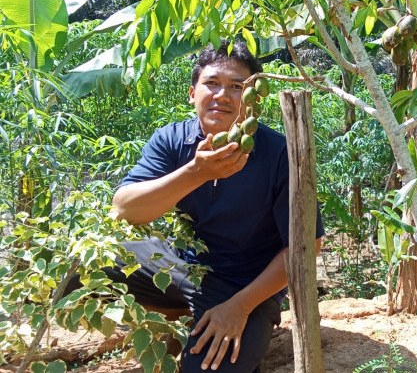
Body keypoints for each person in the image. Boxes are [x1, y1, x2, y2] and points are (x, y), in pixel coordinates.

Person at [110, 41, 324, 373]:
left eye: (237, 86)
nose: (222, 95)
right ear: (192, 93)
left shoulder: (279, 153)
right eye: (212, 83)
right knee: (88, 257)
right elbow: (124, 208)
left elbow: (307, 247)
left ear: (253, 100)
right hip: (184, 267)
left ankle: (230, 319)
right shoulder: (171, 140)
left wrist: (240, 307)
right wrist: (196, 172)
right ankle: (175, 316)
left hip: (247, 286)